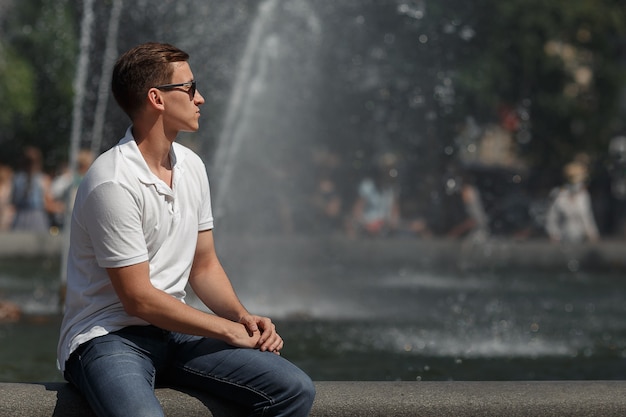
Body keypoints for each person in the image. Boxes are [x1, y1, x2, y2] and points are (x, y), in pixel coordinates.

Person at [57, 42, 315, 417]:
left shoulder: (192, 166)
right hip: (109, 337)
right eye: (190, 88)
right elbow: (138, 299)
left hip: (175, 331)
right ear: (156, 98)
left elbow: (204, 266)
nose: (201, 99)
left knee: (293, 389)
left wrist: (242, 318)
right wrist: (225, 330)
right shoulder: (112, 181)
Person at [545, 160, 599, 243]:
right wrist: (553, 234)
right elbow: (551, 218)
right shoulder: (558, 194)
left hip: (581, 240)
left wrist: (592, 234)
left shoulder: (584, 196)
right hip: (562, 239)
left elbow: (587, 217)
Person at [11, 146, 53, 232]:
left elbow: (14, 200)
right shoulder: (43, 179)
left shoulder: (17, 178)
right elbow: (47, 202)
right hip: (36, 217)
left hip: (21, 216)